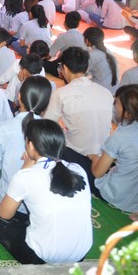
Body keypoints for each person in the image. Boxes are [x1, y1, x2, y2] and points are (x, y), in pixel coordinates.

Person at [0, 119, 92, 264]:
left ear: (30, 145)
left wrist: (25, 167)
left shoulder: (26, 176)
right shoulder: (78, 169)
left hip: (40, 257)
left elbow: (4, 214)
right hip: (79, 256)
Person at [45, 46, 113, 193]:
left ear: (64, 68)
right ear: (87, 67)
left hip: (76, 158)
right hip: (103, 159)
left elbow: (47, 125)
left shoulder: (61, 93)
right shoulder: (106, 93)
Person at [90, 85, 138, 212]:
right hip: (134, 200)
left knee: (70, 155)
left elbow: (97, 173)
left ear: (127, 111)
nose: (114, 106)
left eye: (116, 103)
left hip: (115, 195)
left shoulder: (121, 137)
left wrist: (93, 157)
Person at [83, 26, 118, 94]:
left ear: (87, 41)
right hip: (114, 89)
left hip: (101, 90)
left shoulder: (92, 54)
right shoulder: (108, 51)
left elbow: (83, 72)